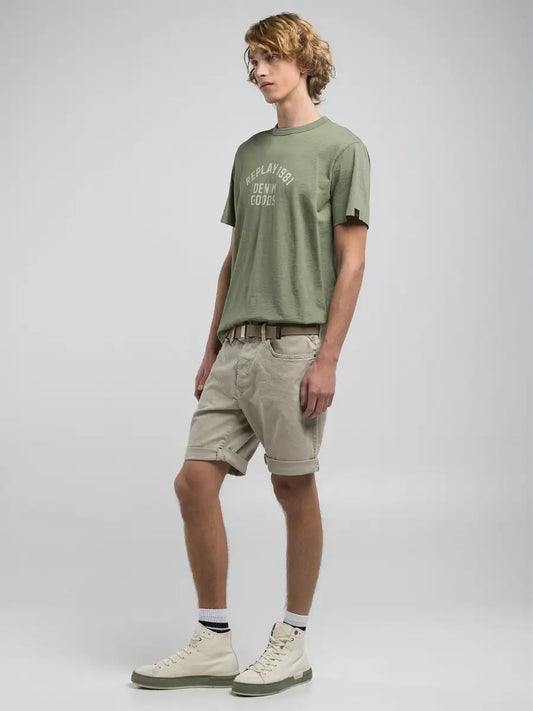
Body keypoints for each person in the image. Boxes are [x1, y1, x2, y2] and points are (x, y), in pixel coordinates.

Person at [130, 11, 371, 697]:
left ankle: (291, 639)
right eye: (252, 60)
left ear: (304, 62)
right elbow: (234, 259)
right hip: (234, 349)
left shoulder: (342, 149)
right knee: (193, 482)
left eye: (269, 58)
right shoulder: (248, 154)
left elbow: (352, 262)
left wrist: (327, 357)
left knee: (293, 486)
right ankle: (212, 640)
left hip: (294, 347)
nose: (258, 71)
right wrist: (210, 347)